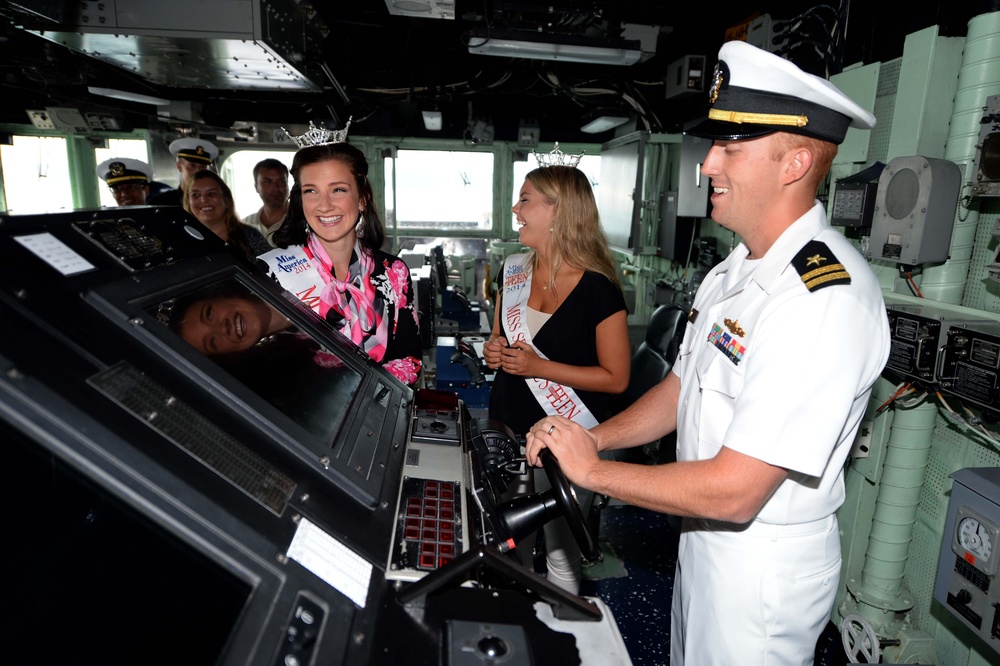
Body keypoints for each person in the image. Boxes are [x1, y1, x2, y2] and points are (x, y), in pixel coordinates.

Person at [524, 40, 892, 665]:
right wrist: (593, 439)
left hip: (760, 567)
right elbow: (682, 389)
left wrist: (592, 473)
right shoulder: (736, 270)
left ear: (795, 162)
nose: (708, 164)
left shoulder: (821, 297)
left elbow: (737, 490)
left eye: (732, 146)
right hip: (701, 539)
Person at [482, 158, 630, 594]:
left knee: (561, 551)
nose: (515, 209)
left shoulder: (599, 290)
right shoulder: (513, 271)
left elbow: (617, 379)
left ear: (558, 211)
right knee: (511, 542)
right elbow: (499, 340)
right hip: (507, 424)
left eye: (525, 200)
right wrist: (495, 352)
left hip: (565, 432)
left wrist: (538, 367)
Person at [259, 122, 422, 386]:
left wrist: (361, 394)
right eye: (311, 191)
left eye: (338, 190)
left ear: (362, 199)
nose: (324, 205)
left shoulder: (394, 272)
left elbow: (410, 360)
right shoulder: (272, 272)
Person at [183, 169, 270, 263]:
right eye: (195, 195)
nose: (203, 199)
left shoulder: (251, 237)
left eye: (211, 193)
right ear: (188, 202)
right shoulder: (178, 241)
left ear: (226, 200)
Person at [147, 138, 219, 206]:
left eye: (203, 167)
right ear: (179, 167)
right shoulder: (160, 203)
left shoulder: (214, 202)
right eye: (192, 166)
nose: (198, 171)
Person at [242, 158, 289, 247]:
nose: (275, 188)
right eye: (267, 182)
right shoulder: (246, 224)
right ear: (256, 186)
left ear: (287, 185)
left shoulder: (303, 221)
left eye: (281, 181)